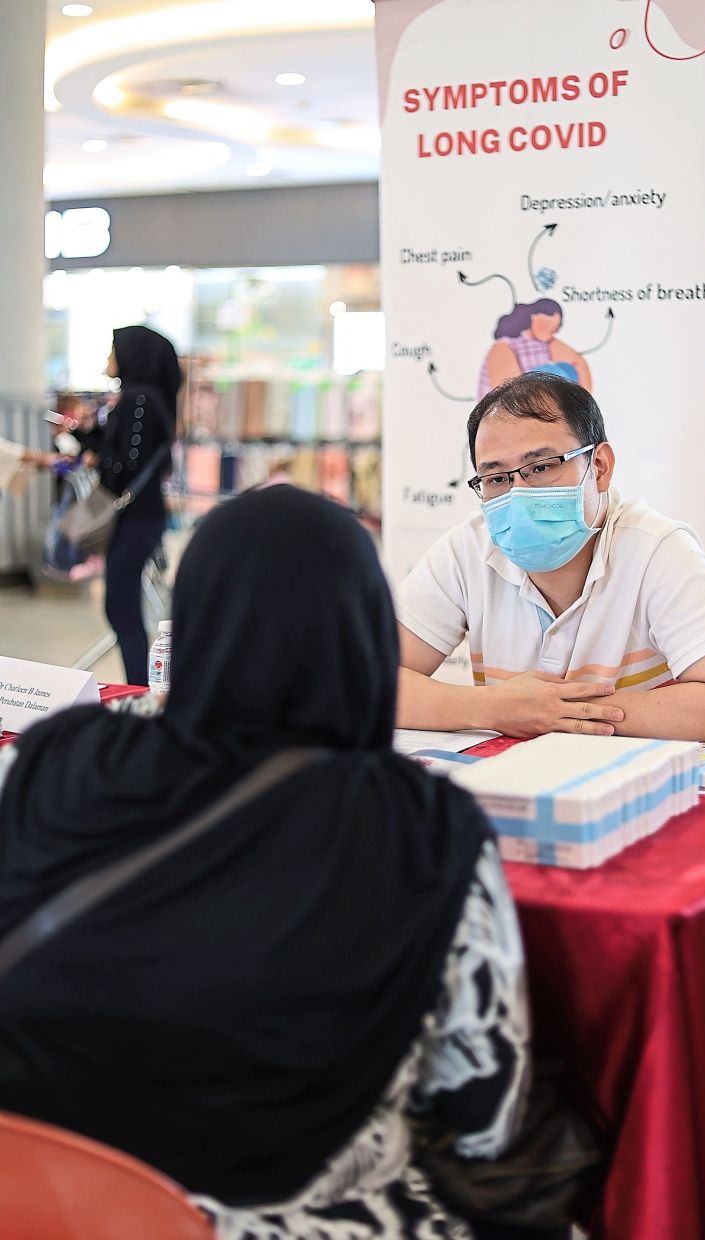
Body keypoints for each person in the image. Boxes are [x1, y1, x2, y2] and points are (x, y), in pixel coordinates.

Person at [0, 487, 534, 1240]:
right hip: (257, 1218)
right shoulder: (419, 828)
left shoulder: (64, 755)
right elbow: (483, 1114)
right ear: (365, 633)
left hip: (34, 1200)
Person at [397, 372, 705, 743]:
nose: (519, 494)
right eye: (497, 479)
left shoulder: (656, 550)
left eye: (541, 467)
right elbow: (360, 684)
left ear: (599, 467)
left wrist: (557, 714)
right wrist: (494, 708)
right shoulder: (467, 550)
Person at [86, 326, 180, 684]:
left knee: (121, 608)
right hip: (141, 516)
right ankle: (138, 688)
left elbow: (127, 463)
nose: (109, 357)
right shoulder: (145, 396)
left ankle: (139, 690)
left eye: (113, 349)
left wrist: (98, 456)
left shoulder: (139, 399)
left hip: (137, 517)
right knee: (122, 608)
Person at [480, 299, 591, 397]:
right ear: (533, 316)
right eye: (548, 324)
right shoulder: (504, 346)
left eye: (555, 328)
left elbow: (578, 365)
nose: (550, 330)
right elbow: (508, 394)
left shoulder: (546, 343)